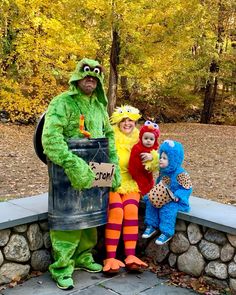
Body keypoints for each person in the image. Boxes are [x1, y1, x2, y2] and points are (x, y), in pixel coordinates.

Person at [42, 58, 121, 290]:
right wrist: (72, 163)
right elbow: (51, 139)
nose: (91, 79)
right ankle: (63, 266)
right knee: (68, 218)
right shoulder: (62, 103)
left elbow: (109, 138)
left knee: (92, 214)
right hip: (69, 171)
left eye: (96, 76)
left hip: (97, 167)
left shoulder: (98, 107)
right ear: (78, 76)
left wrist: (113, 165)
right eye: (87, 74)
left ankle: (84, 256)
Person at [103, 106, 157, 274]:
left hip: (132, 183)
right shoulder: (109, 137)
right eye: (123, 120)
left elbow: (157, 154)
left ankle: (131, 256)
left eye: (130, 120)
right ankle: (110, 257)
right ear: (118, 122)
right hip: (111, 182)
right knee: (117, 211)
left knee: (131, 210)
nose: (127, 123)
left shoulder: (140, 138)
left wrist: (152, 158)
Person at [142, 140, 192, 245]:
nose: (161, 160)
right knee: (151, 202)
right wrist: (154, 193)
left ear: (173, 159)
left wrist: (178, 196)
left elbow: (187, 188)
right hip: (163, 196)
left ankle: (166, 232)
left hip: (176, 201)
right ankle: (151, 225)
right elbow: (159, 183)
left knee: (168, 209)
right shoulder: (163, 171)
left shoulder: (181, 174)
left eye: (165, 158)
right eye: (161, 157)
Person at [128, 120, 160, 196]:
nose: (148, 141)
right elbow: (132, 166)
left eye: (151, 139)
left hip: (148, 176)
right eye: (146, 138)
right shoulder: (137, 148)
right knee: (142, 191)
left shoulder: (154, 150)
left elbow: (159, 164)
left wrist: (154, 157)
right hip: (137, 176)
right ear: (141, 138)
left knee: (149, 189)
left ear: (155, 140)